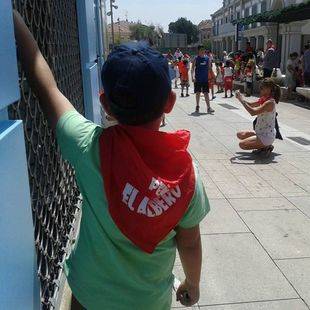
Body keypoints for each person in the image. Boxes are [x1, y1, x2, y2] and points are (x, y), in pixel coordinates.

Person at [13, 11, 210, 310]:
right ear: (169, 104)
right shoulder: (185, 175)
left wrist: (15, 20)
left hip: (89, 296)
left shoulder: (88, 146)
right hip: (149, 301)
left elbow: (48, 88)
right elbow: (190, 241)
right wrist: (192, 284)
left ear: (105, 104)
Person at [236, 78, 281, 157]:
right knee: (240, 135)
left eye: (262, 89)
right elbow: (250, 104)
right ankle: (262, 146)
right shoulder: (263, 99)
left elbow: (253, 112)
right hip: (261, 132)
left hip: (266, 136)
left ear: (269, 89)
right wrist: (240, 98)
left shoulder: (270, 102)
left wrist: (241, 100)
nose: (260, 91)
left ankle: (266, 146)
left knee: (242, 145)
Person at [191, 45, 215, 114]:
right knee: (198, 93)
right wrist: (192, 77)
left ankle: (208, 108)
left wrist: (213, 76)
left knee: (206, 93)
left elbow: (210, 68)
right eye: (201, 50)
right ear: (198, 51)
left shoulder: (207, 58)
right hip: (198, 79)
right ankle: (197, 106)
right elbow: (192, 69)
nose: (202, 51)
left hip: (205, 79)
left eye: (203, 50)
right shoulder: (196, 59)